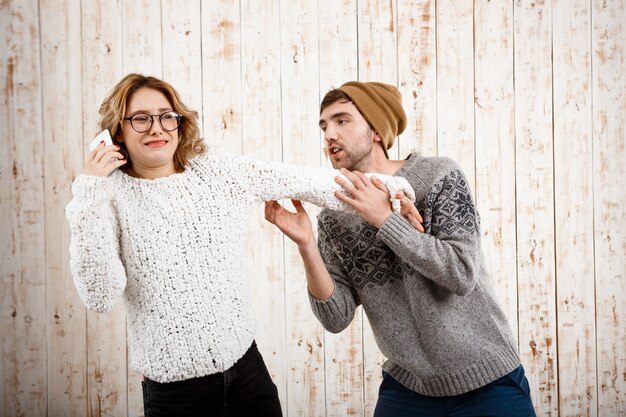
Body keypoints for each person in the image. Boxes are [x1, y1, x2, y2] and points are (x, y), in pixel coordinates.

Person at [64, 74, 419, 417]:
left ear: (179, 122)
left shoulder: (217, 169)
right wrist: (90, 189)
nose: (156, 128)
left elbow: (309, 181)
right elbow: (100, 296)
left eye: (165, 117)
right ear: (117, 132)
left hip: (248, 374)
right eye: (140, 119)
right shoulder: (104, 197)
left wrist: (395, 189)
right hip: (174, 394)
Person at [264, 81, 536, 417]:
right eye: (324, 126)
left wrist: (383, 219)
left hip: (488, 382)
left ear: (376, 130)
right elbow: (336, 317)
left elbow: (461, 274)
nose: (329, 135)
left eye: (342, 120)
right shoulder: (334, 218)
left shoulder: (437, 176)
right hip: (407, 390)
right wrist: (306, 244)